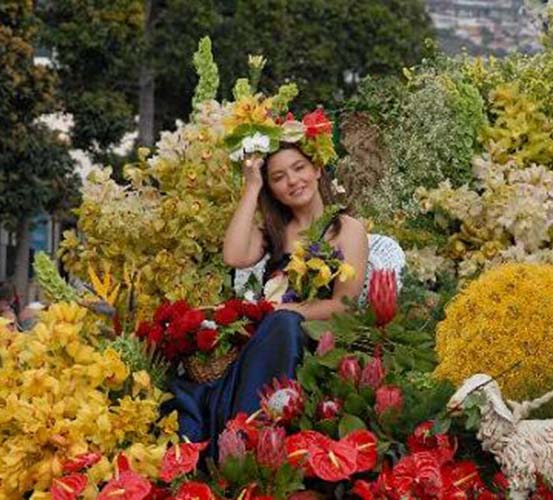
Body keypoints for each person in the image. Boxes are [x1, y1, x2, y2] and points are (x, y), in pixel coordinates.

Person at [162, 143, 368, 455]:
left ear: (317, 169)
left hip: (317, 339)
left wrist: (286, 310)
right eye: (278, 177)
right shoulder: (276, 230)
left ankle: (248, 437)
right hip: (269, 338)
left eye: (299, 168)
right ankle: (239, 433)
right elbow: (232, 255)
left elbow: (344, 306)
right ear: (271, 188)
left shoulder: (345, 228)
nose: (293, 181)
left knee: (284, 325)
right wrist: (252, 185)